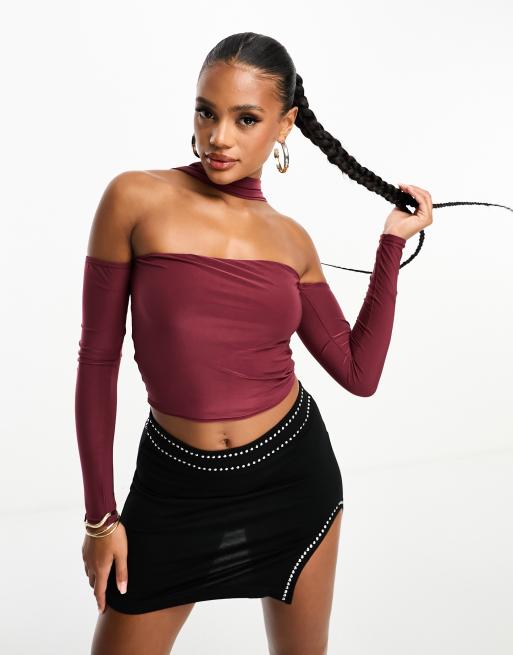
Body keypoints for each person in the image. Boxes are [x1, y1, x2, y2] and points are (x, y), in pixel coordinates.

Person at [76, 34, 432, 655]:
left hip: (293, 482)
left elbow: (358, 372)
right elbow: (98, 360)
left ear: (284, 125)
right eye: (206, 112)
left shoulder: (290, 240)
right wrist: (101, 518)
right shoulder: (134, 199)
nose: (219, 137)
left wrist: (391, 244)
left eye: (246, 119)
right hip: (175, 488)